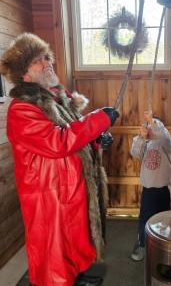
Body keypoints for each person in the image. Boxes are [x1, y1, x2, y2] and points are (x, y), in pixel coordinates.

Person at [0, 33, 120, 286]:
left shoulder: (57, 98)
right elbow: (58, 142)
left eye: (46, 57)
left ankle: (74, 276)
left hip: (70, 185)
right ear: (24, 73)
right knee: (53, 246)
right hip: (48, 192)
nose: (47, 63)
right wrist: (98, 119)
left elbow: (75, 135)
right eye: (37, 60)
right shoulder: (22, 108)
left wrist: (97, 141)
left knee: (74, 238)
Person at [130, 109, 171, 261]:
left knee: (164, 220)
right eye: (148, 124)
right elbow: (135, 152)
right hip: (148, 189)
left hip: (164, 190)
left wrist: (154, 122)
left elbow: (165, 137)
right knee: (145, 219)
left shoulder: (167, 144)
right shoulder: (146, 144)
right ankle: (143, 245)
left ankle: (163, 247)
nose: (150, 127)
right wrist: (140, 137)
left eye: (153, 124)